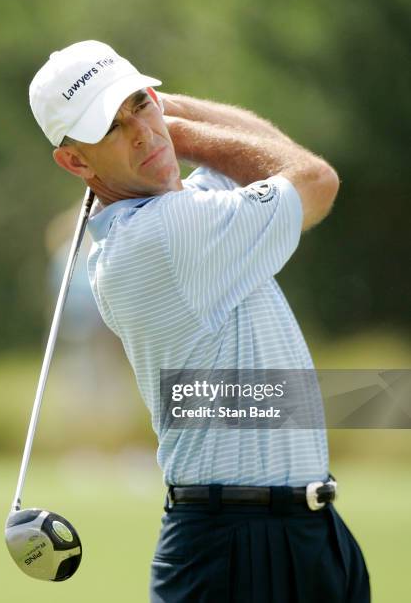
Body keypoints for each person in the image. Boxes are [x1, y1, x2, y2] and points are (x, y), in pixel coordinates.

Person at [29, 40, 370, 602]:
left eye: (139, 104)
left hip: (305, 530)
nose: (141, 132)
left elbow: (269, 154)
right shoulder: (164, 237)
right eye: (111, 127)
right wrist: (173, 127)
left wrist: (157, 113)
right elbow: (313, 178)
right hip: (238, 547)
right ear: (75, 162)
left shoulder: (182, 209)